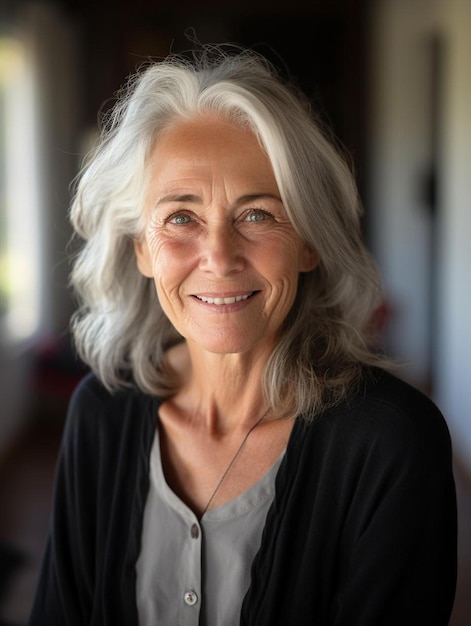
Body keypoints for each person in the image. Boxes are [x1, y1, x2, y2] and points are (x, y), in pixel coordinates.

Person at [29, 45, 457, 625]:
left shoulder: (393, 443)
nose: (220, 257)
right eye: (181, 216)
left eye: (257, 214)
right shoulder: (101, 414)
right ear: (140, 249)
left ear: (310, 241)